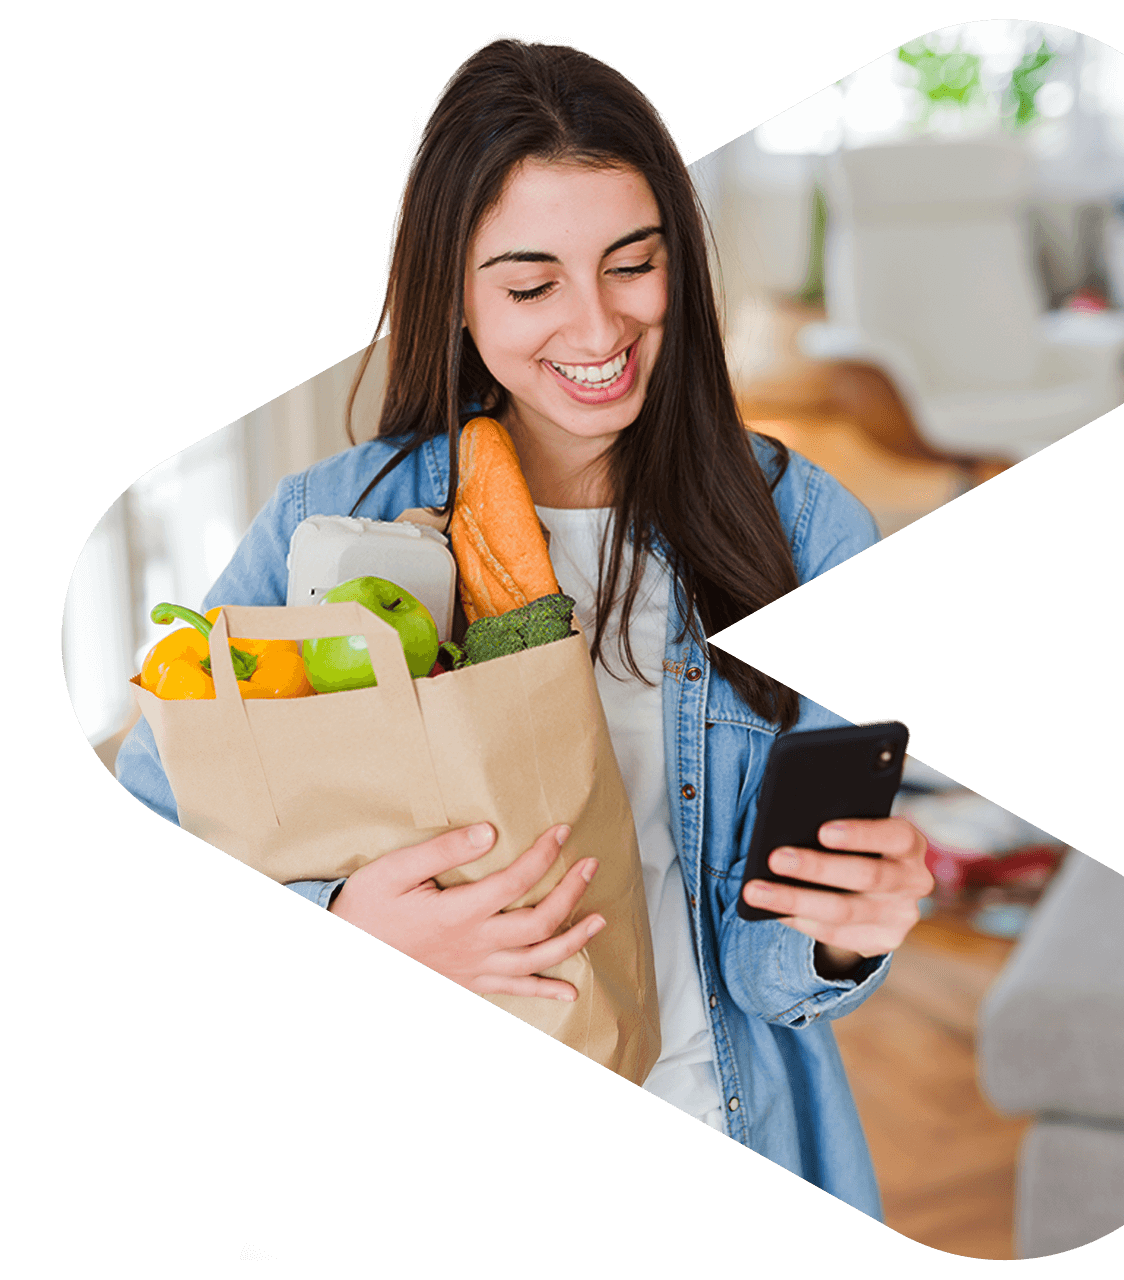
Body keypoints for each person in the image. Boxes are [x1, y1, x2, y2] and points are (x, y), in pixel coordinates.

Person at [114, 35, 934, 1219]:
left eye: (632, 264)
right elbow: (162, 793)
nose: (596, 328)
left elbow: (772, 975)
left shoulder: (803, 525)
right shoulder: (329, 521)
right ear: (453, 291)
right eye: (530, 282)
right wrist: (351, 919)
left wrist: (845, 932)